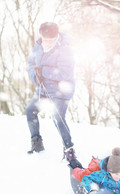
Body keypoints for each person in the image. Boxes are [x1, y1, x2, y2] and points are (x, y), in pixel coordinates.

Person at [25, 22, 82, 169]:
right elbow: (31, 63)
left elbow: (65, 73)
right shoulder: (38, 45)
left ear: (57, 37)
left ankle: (69, 151)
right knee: (30, 111)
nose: (47, 43)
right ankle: (36, 143)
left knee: (57, 117)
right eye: (45, 39)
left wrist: (42, 71)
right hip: (43, 89)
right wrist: (34, 75)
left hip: (61, 91)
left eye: (51, 40)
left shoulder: (65, 49)